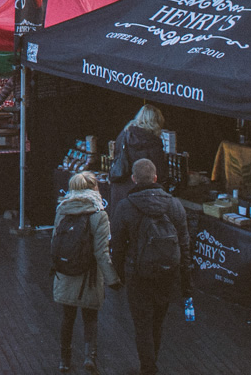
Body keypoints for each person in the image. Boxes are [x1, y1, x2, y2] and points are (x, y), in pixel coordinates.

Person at [110, 158, 192, 375]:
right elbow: (184, 245)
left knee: (142, 324)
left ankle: (148, 367)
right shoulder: (175, 205)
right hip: (167, 274)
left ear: (134, 179)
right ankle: (151, 361)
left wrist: (117, 276)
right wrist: (186, 283)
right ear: (155, 178)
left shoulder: (125, 206)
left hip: (137, 273)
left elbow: (117, 245)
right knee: (157, 322)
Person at [51, 172, 121, 373]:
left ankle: (64, 359)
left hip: (65, 272)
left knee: (67, 317)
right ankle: (89, 357)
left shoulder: (62, 210)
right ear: (94, 189)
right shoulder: (99, 214)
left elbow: (54, 243)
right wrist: (113, 280)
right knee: (90, 317)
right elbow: (102, 252)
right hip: (88, 276)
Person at [110, 105, 168, 209]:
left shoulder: (124, 134)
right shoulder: (154, 143)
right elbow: (159, 172)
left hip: (120, 188)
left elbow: (116, 155)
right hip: (141, 194)